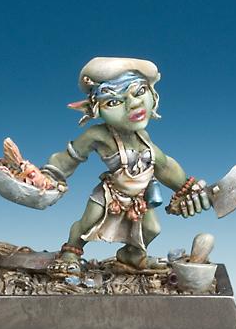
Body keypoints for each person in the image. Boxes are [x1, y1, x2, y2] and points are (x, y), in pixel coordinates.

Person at [37, 57, 210, 271]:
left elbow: (164, 165)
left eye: (139, 91)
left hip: (139, 198)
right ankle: (71, 251)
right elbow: (69, 158)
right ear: (95, 109)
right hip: (110, 195)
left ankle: (132, 254)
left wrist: (187, 188)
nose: (134, 104)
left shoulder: (144, 138)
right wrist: (48, 176)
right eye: (114, 102)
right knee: (89, 222)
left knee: (152, 229)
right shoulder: (98, 135)